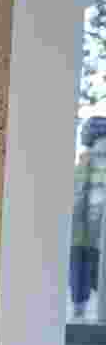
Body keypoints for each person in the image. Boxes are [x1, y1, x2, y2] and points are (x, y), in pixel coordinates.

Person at [72, 116, 106, 320]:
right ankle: (81, 312)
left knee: (83, 272)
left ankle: (80, 312)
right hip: (89, 233)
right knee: (87, 273)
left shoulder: (85, 160)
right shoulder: (85, 161)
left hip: (86, 233)